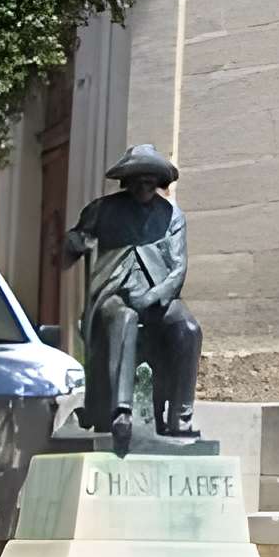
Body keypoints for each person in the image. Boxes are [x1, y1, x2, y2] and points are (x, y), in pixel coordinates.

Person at [64, 144, 202, 441]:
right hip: (112, 291)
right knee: (124, 318)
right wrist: (75, 243)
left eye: (151, 177)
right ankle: (121, 413)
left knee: (188, 329)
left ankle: (180, 417)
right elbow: (73, 241)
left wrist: (151, 297)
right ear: (127, 180)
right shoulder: (103, 209)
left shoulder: (172, 216)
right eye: (138, 177)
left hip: (157, 295)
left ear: (159, 180)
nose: (144, 184)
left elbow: (178, 270)